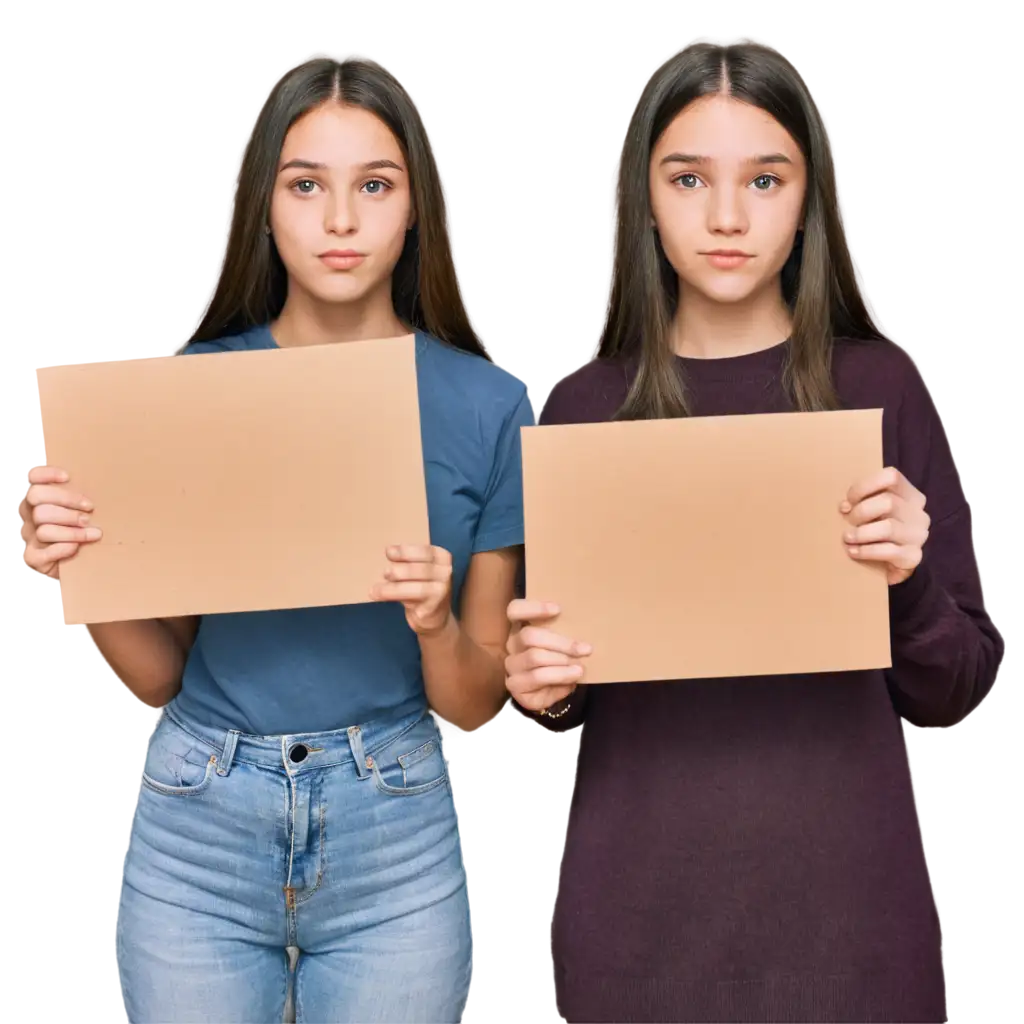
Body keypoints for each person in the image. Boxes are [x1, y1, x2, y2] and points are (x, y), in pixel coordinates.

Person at [19, 55, 532, 1024]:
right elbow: (156, 674)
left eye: (373, 185)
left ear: (414, 205)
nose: (340, 221)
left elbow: (474, 706)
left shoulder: (488, 405)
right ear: (264, 203)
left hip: (396, 833)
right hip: (197, 823)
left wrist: (432, 623)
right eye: (306, 185)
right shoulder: (189, 387)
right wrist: (81, 570)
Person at [504, 45, 1000, 1024]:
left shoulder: (878, 390)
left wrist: (906, 579)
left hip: (846, 920)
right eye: (688, 178)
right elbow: (565, 683)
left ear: (806, 201)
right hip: (637, 922)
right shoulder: (579, 406)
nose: (725, 217)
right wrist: (536, 683)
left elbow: (956, 687)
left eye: (763, 180)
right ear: (643, 199)